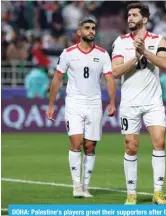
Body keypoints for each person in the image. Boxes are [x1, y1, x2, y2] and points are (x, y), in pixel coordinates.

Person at [46, 17, 116, 198]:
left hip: (94, 103)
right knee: (76, 142)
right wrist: (51, 105)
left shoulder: (102, 54)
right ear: (79, 32)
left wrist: (112, 102)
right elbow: (57, 79)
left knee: (90, 146)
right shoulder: (68, 53)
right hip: (74, 103)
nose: (91, 31)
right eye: (87, 28)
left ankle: (86, 186)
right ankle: (76, 185)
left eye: (93, 28)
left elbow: (109, 79)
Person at [111, 2, 166, 204]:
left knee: (159, 142)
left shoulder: (158, 40)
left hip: (153, 101)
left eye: (134, 15)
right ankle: (131, 193)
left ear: (144, 19)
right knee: (131, 146)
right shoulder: (120, 42)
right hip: (130, 102)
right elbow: (116, 71)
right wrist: (135, 59)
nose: (130, 18)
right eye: (128, 15)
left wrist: (144, 52)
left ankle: (158, 192)